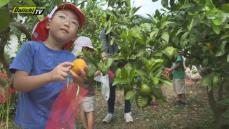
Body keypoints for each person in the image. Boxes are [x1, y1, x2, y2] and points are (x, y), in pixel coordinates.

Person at [9, 3, 86, 129]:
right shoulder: (30, 48)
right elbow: (18, 83)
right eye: (62, 17)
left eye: (74, 23)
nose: (67, 23)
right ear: (48, 24)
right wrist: (50, 76)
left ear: (74, 36)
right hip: (32, 124)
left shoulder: (72, 59)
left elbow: (70, 94)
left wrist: (79, 83)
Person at [99, 28, 133, 123]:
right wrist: (106, 63)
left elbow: (129, 45)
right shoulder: (104, 31)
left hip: (124, 61)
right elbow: (103, 49)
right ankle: (110, 113)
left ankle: (127, 112)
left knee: (127, 86)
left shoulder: (123, 27)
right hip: (111, 62)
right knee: (111, 87)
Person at [72, 36, 96, 129]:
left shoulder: (75, 61)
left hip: (78, 91)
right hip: (88, 92)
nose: (90, 51)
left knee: (82, 109)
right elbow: (89, 77)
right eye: (88, 49)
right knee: (90, 111)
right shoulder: (86, 62)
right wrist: (99, 71)